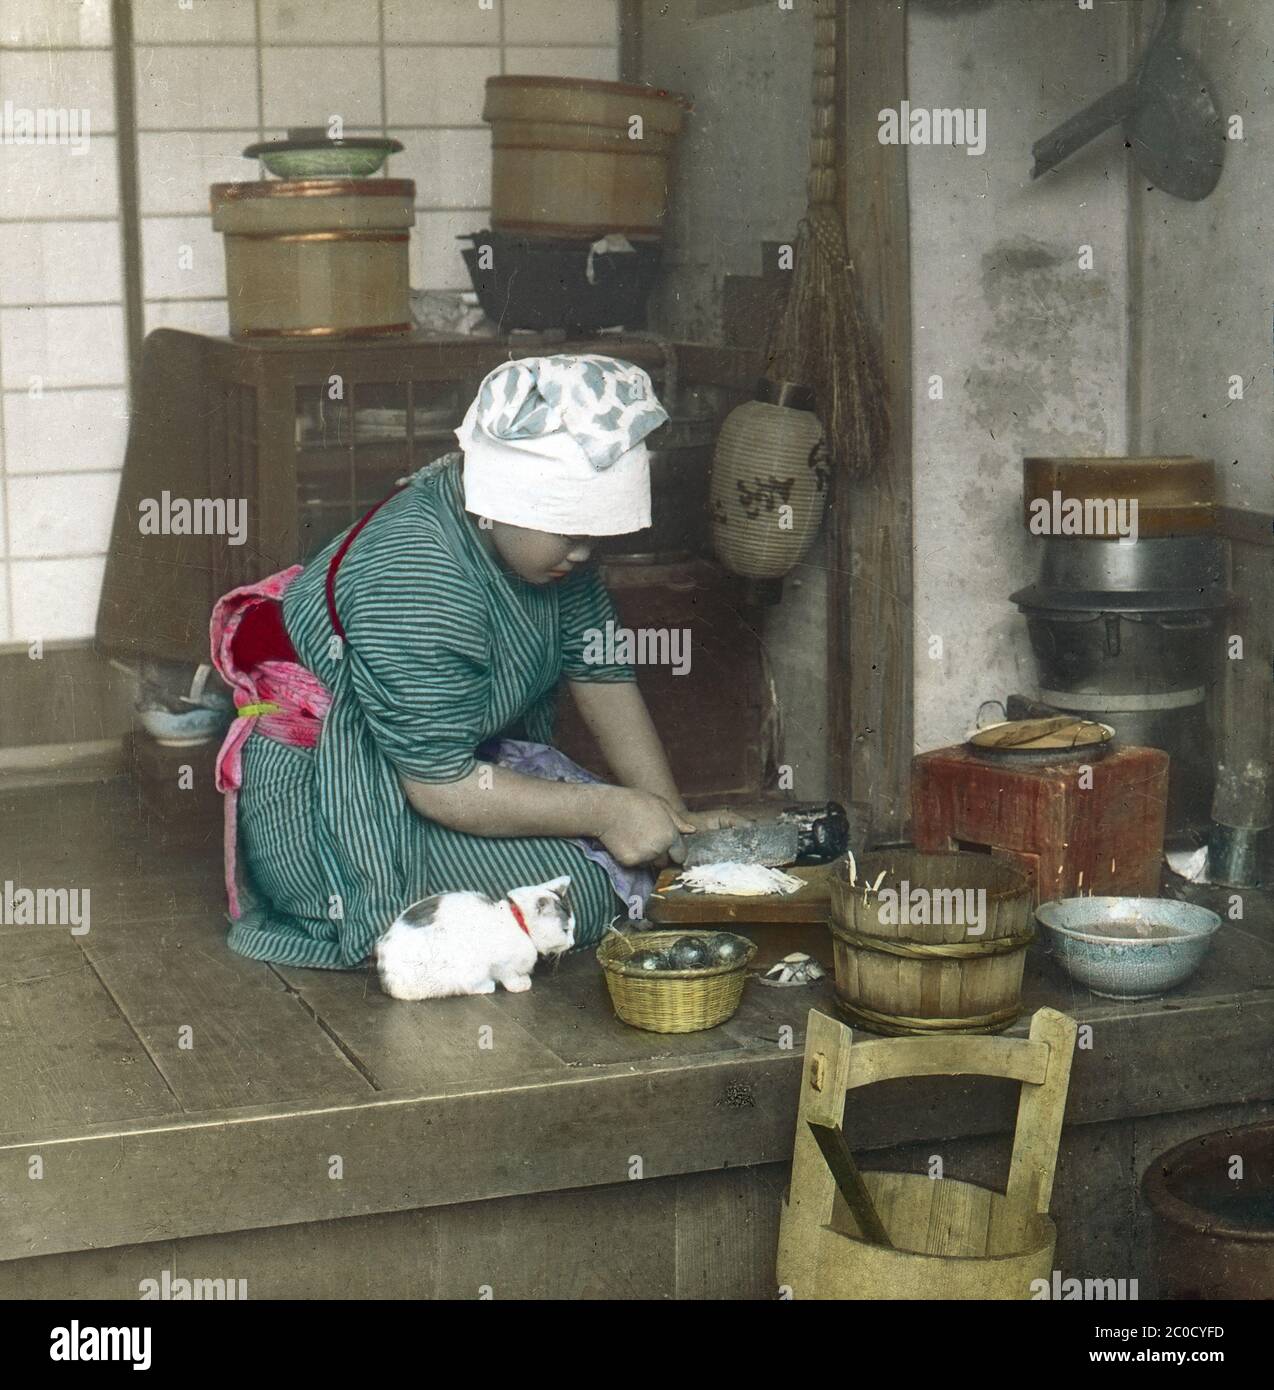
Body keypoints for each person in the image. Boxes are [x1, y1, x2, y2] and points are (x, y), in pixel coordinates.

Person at [209, 354, 742, 969]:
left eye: (596, 534)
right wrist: (609, 812)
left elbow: (601, 672)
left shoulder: (549, 554)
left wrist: (673, 825)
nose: (583, 552)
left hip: (436, 773)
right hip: (331, 801)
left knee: (616, 861)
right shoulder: (420, 576)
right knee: (577, 894)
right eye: (570, 532)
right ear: (501, 496)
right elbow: (439, 785)